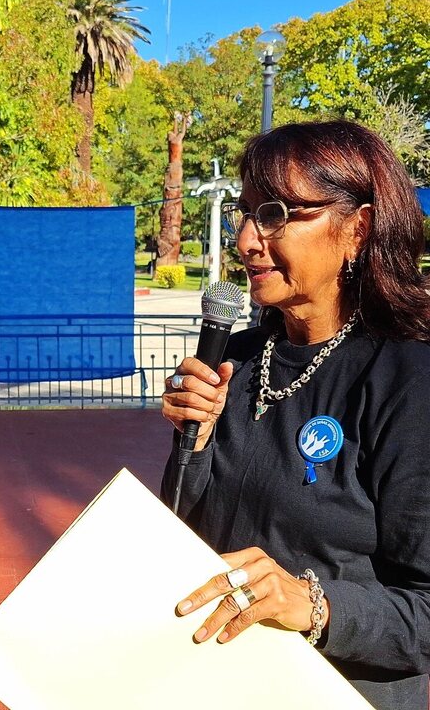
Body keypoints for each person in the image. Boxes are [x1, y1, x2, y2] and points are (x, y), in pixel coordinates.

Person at [160, 120, 430, 709]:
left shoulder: (409, 379)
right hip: (218, 686)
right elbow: (182, 530)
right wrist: (192, 444)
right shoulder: (233, 360)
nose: (247, 240)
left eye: (276, 215)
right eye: (245, 213)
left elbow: (424, 610)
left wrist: (312, 605)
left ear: (357, 228)